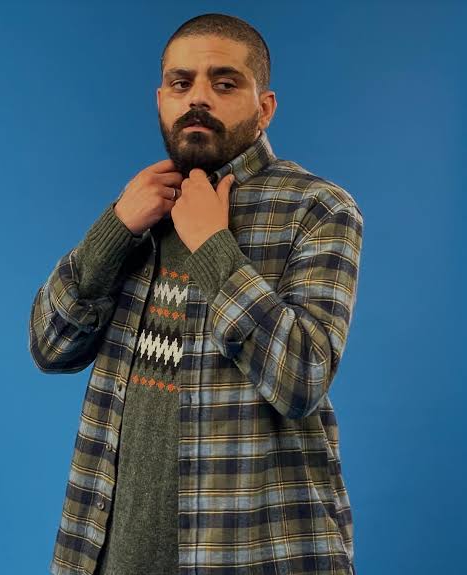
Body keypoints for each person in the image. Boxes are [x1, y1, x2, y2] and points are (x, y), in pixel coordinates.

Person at [28, 12, 363, 575]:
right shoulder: (143, 209)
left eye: (224, 83)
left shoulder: (317, 209)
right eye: (181, 83)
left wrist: (213, 246)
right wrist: (114, 228)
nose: (198, 98)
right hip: (107, 556)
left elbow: (301, 378)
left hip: (252, 557)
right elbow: (49, 346)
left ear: (264, 107)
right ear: (162, 99)